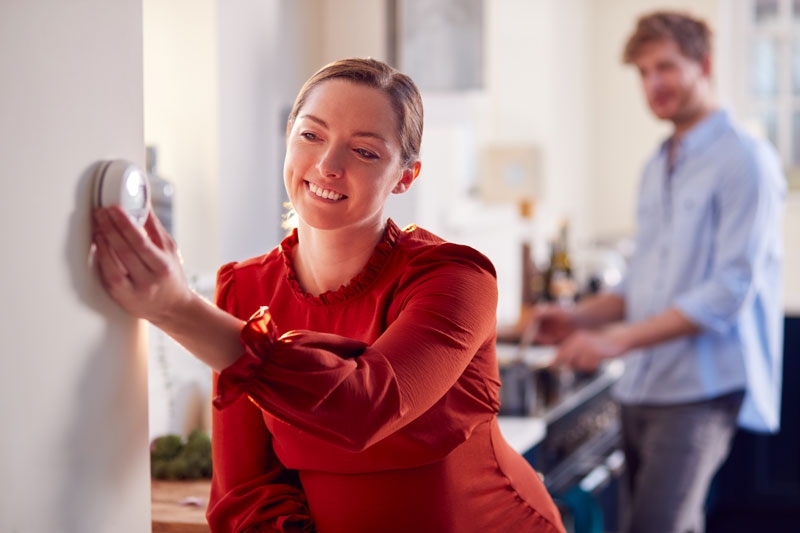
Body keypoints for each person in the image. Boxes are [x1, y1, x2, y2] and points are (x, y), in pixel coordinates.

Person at [92, 58, 566, 533]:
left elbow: (364, 406)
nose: (327, 165)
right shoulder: (245, 288)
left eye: (364, 151)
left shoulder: (455, 277)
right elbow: (246, 491)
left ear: (406, 176)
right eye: (311, 135)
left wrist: (175, 309)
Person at [533, 11, 786, 533]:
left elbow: (728, 292)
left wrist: (616, 341)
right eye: (644, 73)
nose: (654, 85)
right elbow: (641, 284)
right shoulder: (657, 165)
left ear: (704, 65)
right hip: (643, 387)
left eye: (666, 67)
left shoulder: (746, 159)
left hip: (700, 390)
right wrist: (577, 318)